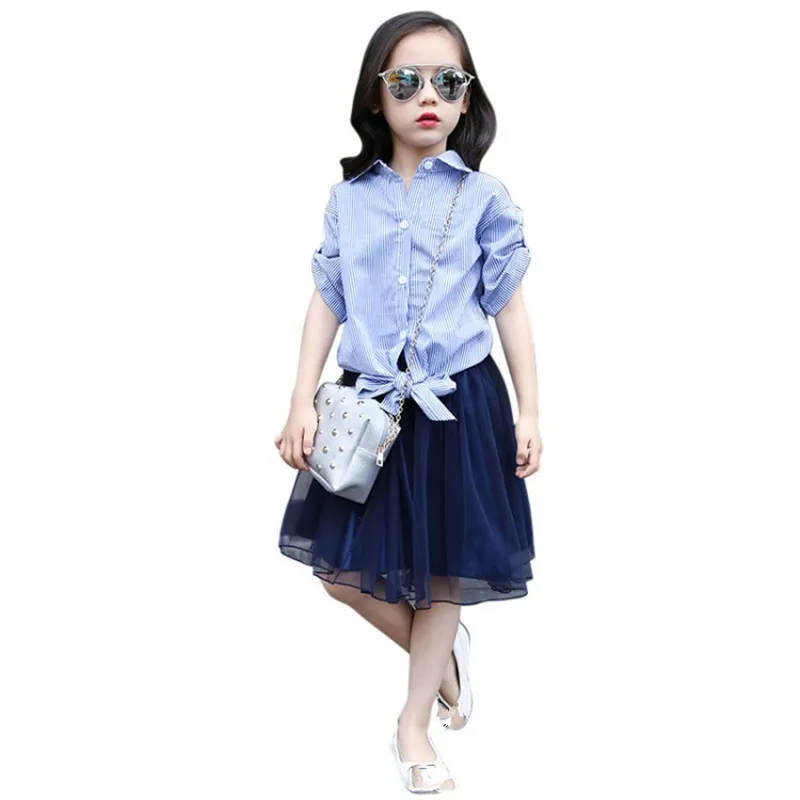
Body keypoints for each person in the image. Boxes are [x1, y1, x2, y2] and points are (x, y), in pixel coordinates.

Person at [274, 11, 542, 793]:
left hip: (459, 405)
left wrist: (531, 411)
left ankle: (413, 725)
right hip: (367, 407)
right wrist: (300, 399)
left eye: (448, 81)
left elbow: (510, 308)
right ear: (375, 95)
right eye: (407, 80)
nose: (429, 95)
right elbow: (327, 298)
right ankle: (443, 651)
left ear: (467, 99)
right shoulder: (348, 198)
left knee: (444, 573)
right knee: (340, 572)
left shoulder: (484, 198)